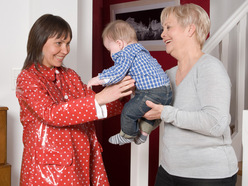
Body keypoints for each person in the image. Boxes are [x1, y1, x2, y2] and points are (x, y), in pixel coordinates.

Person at [16, 14, 135, 186]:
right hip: (48, 172)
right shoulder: (27, 78)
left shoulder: (69, 75)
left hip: (82, 163)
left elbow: (97, 105)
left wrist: (126, 94)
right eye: (59, 43)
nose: (65, 50)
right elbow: (51, 114)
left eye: (68, 43)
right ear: (40, 41)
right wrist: (100, 98)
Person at [143, 3, 238, 186]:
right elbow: (163, 115)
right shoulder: (168, 74)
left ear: (190, 29)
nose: (162, 34)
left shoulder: (210, 68)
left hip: (208, 175)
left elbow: (215, 123)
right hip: (168, 169)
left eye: (168, 27)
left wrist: (165, 112)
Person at [87, 20, 172, 145]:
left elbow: (117, 72)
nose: (111, 54)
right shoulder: (140, 50)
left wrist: (99, 78)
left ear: (119, 44)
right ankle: (144, 132)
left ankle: (127, 135)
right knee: (144, 112)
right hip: (167, 92)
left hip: (152, 92)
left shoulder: (126, 52)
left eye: (110, 50)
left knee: (128, 111)